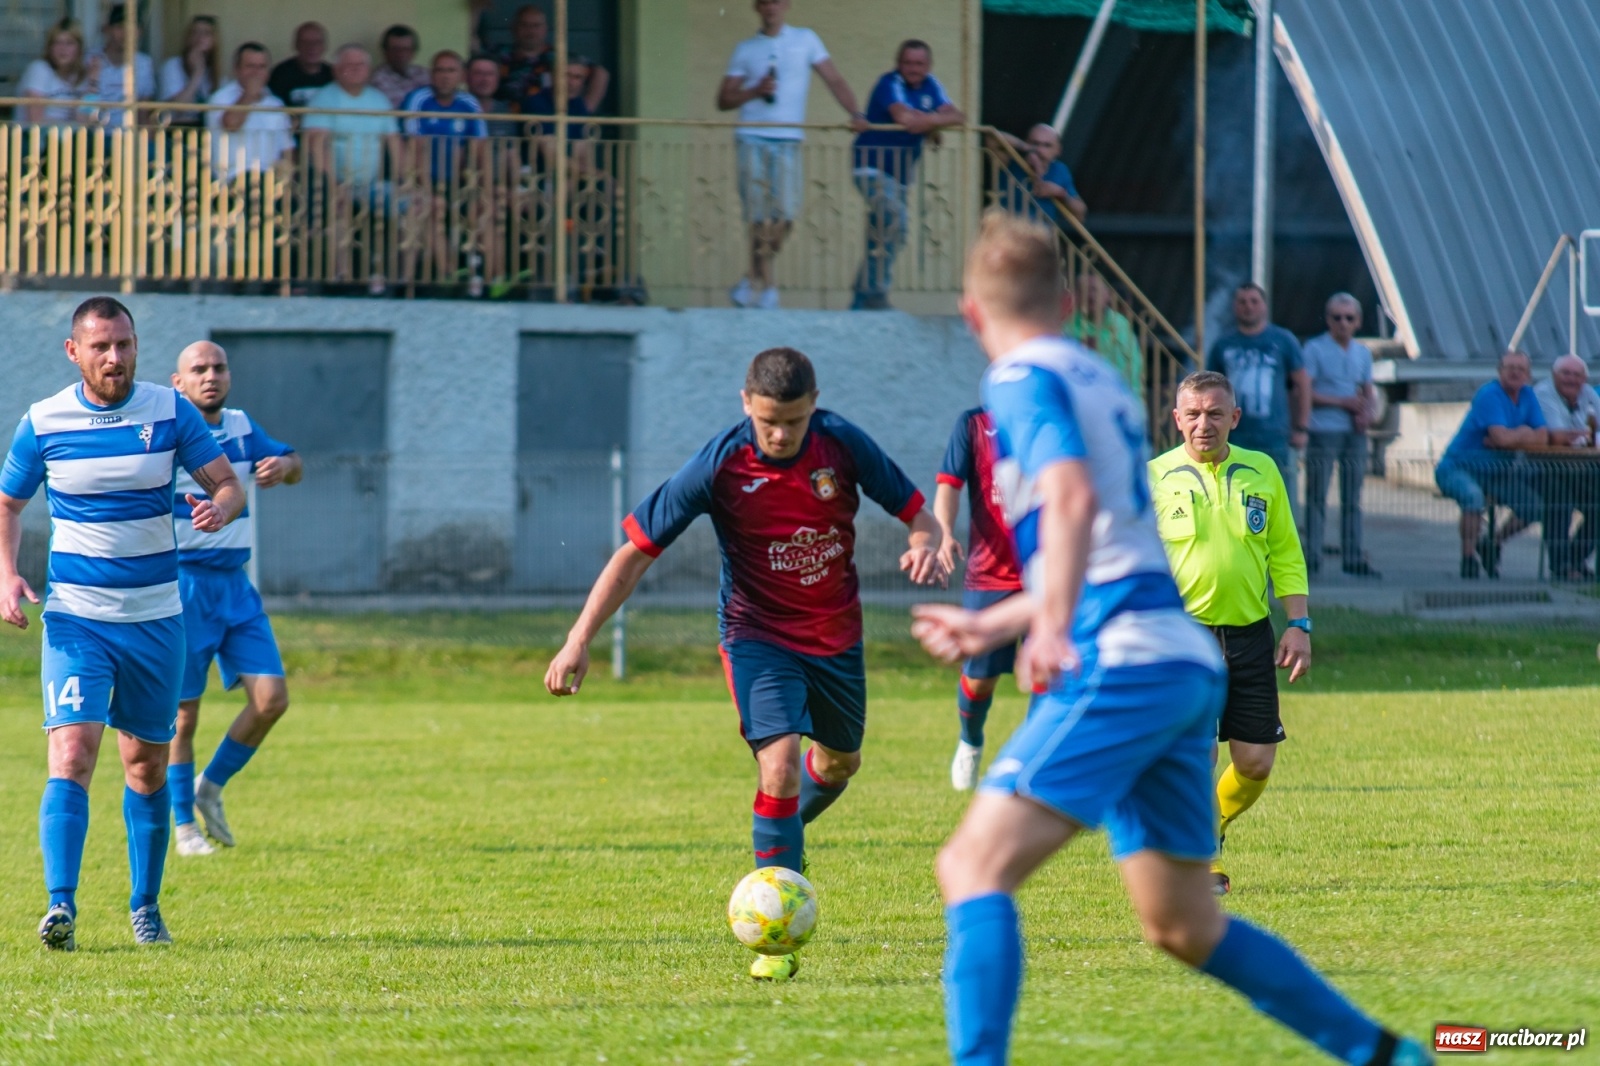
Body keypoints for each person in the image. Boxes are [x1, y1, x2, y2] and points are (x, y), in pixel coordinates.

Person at [909, 213, 1431, 1066]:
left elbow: (1074, 503)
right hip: (1180, 657)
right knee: (1182, 923)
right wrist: (1002, 618)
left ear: (973, 312)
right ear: (1072, 302)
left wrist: (1040, 620)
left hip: (1124, 660)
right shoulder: (1102, 379)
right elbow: (1119, 541)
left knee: (972, 869)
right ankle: (1387, 1055)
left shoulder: (1019, 380)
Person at [544, 346, 945, 982]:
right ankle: (773, 929)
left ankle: (777, 835)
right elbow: (635, 553)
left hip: (836, 638)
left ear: (813, 403)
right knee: (781, 766)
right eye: (767, 422)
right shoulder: (721, 463)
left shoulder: (843, 446)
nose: (780, 434)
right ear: (745, 405)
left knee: (840, 764)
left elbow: (917, 514)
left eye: (791, 419)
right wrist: (578, 637)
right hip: (756, 635)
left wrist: (926, 544)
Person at [0, 297, 245, 949]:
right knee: (73, 753)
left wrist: (222, 505)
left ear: (137, 347)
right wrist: (6, 576)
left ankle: (145, 907)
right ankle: (61, 907)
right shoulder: (43, 421)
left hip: (157, 622)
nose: (115, 357)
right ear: (73, 351)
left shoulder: (170, 412)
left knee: (145, 767)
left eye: (125, 345)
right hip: (77, 621)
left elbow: (228, 483)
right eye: (102, 346)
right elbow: (7, 503)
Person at [1149, 371, 1310, 895]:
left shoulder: (1261, 471)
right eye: (1193, 414)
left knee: (1256, 762)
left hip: (1251, 635)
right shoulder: (1153, 478)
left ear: (1234, 418)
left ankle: (1206, 826)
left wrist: (1299, 623)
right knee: (1200, 754)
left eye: (1215, 413)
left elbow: (1285, 551)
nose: (1204, 424)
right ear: (1176, 420)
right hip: (1183, 640)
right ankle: (1201, 860)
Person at [168, 341, 302, 857]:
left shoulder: (244, 427)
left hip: (236, 587)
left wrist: (283, 468)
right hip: (184, 586)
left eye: (219, 367)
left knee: (271, 700)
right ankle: (184, 828)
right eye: (198, 369)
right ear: (177, 383)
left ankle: (211, 786)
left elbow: (295, 461)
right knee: (182, 714)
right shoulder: (172, 432)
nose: (210, 376)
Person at [717, 0, 864, 310]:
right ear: (757, 7)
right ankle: (768, 285)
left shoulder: (805, 39)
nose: (772, 8)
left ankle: (751, 277)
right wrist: (754, 91)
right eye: (766, 3)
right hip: (751, 136)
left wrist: (855, 112)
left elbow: (833, 79)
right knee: (758, 216)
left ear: (787, 5)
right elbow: (724, 99)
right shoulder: (746, 48)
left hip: (787, 137)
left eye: (777, 2)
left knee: (786, 213)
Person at [934, 406, 1023, 791]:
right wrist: (943, 533)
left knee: (1050, 677)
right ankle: (970, 742)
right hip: (990, 575)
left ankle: (1035, 764)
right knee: (980, 679)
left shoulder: (1056, 415)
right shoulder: (972, 424)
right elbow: (948, 486)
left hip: (1049, 574)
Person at [1433, 349, 1576, 578]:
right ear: (1500, 371)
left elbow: (1541, 437)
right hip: (1459, 467)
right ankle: (1468, 558)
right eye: (1510, 368)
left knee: (1534, 508)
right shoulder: (1489, 394)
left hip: (1499, 470)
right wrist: (1522, 433)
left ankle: (1493, 542)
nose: (1515, 373)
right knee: (1473, 498)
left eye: (1521, 369)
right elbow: (1501, 438)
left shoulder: (1528, 395)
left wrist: (1515, 434)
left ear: (1528, 375)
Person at [849, 40, 965, 310]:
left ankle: (862, 298)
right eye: (908, 63)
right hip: (871, 167)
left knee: (884, 232)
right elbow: (905, 118)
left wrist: (928, 124)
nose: (913, 69)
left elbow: (958, 116)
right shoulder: (889, 82)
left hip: (900, 175)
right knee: (895, 221)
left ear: (929, 65)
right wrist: (934, 122)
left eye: (919, 64)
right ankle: (875, 291)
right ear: (899, 64)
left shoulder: (932, 85)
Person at [1206, 282, 1311, 517]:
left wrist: (1301, 427)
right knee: (1234, 497)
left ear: (1264, 305)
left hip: (1273, 436)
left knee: (1275, 498)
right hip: (1233, 436)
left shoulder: (1283, 340)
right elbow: (1210, 389)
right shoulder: (1223, 345)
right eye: (1242, 302)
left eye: (1254, 301)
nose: (1248, 307)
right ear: (1235, 307)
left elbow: (1302, 384)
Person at [1302, 293, 1379, 576]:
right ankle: (1311, 556)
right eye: (1337, 318)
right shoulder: (1314, 349)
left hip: (1354, 432)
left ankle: (1353, 556)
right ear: (1328, 320)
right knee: (1317, 497)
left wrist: (1367, 413)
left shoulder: (1363, 353)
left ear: (1357, 321)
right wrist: (1341, 403)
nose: (1343, 323)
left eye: (1349, 318)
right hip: (1324, 430)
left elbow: (1367, 390)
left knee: (1353, 498)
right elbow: (1306, 391)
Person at [1532, 354, 1600, 579]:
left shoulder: (1588, 394)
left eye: (1577, 374)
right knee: (1561, 503)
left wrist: (1583, 436)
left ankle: (1575, 560)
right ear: (1554, 375)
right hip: (1543, 466)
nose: (1572, 379)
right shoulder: (1544, 393)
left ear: (1583, 378)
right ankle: (1561, 566)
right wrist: (1584, 435)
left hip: (1579, 466)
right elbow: (1558, 436)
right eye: (1566, 373)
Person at [303, 45, 397, 187]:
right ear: (336, 70)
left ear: (369, 69)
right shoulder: (322, 99)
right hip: (332, 187)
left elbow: (394, 142)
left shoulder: (380, 100)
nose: (356, 69)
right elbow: (316, 146)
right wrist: (334, 187)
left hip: (373, 186)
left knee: (413, 202)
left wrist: (403, 181)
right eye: (349, 64)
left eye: (361, 64)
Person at [493, 4, 610, 111]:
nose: (530, 31)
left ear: (545, 29)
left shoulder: (558, 56)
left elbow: (601, 73)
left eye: (536, 26)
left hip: (546, 127)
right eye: (525, 25)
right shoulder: (501, 54)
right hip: (507, 125)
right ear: (514, 28)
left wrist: (585, 110)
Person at [207, 43, 294, 182]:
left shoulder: (275, 104)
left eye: (261, 67)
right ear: (237, 69)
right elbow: (231, 124)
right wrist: (249, 95)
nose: (256, 73)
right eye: (250, 66)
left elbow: (287, 148)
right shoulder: (221, 97)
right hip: (233, 180)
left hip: (270, 180)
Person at [993, 124, 1086, 226]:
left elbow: (1080, 213)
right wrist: (1026, 148)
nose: (1039, 150)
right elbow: (991, 138)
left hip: (1041, 237)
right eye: (1035, 143)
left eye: (1047, 145)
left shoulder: (1059, 169)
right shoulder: (1012, 163)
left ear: (1058, 150)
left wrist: (1060, 193)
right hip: (1009, 234)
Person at [1064, 274, 1139, 390]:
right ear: (1076, 296)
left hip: (1122, 390)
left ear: (1107, 295)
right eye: (1083, 291)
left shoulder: (1120, 323)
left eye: (1094, 290)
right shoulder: (1067, 325)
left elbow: (1135, 363)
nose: (1090, 295)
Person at [88, 4, 155, 128]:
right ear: (108, 29)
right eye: (120, 27)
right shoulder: (90, 59)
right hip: (95, 136)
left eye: (132, 27)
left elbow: (144, 111)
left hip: (130, 137)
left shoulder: (144, 63)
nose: (126, 33)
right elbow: (81, 108)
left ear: (139, 32)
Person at [20, 19, 93, 127]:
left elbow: (83, 120)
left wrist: (93, 81)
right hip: (37, 140)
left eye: (69, 43)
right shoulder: (39, 69)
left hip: (70, 139)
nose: (63, 49)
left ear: (79, 48)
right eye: (57, 43)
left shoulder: (80, 74)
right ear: (49, 48)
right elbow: (35, 120)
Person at [158, 15, 218, 126]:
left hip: (203, 131)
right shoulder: (172, 66)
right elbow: (180, 107)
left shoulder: (215, 72)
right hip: (174, 130)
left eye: (206, 33)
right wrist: (197, 73)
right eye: (195, 32)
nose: (200, 37)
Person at [268, 22, 334, 110]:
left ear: (324, 46)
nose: (312, 47)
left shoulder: (333, 75)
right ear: (296, 45)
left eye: (317, 42)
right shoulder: (280, 74)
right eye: (305, 42)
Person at [371, 25, 428, 109]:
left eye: (406, 49)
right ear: (385, 51)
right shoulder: (376, 79)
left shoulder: (424, 75)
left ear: (414, 52)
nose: (400, 54)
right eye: (395, 49)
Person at [466, 54, 519, 137]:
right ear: (467, 77)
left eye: (490, 74)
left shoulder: (505, 113)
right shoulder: (456, 108)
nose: (484, 79)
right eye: (478, 73)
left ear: (498, 78)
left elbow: (511, 148)